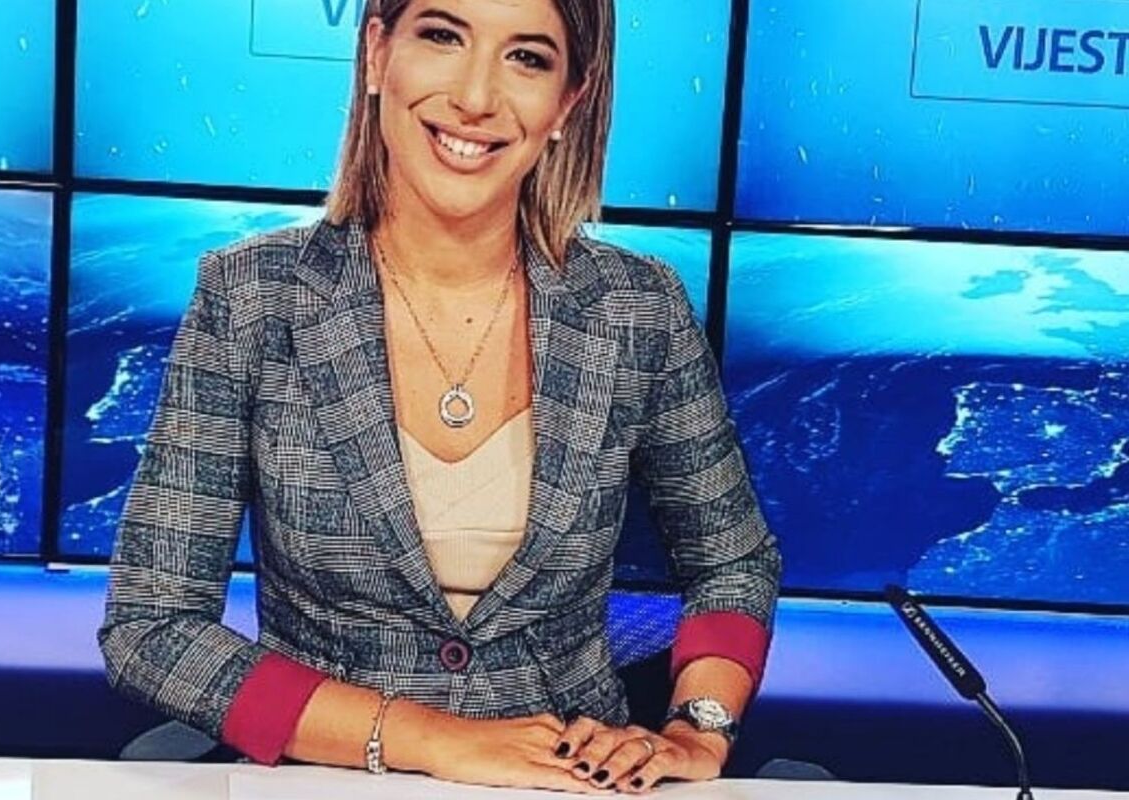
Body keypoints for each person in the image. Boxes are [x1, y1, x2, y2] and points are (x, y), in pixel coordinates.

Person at [99, 0, 781, 793]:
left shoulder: (639, 308)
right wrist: (430, 739)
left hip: (571, 783)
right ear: (377, 52)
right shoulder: (252, 296)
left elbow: (734, 563)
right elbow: (153, 628)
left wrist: (699, 728)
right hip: (331, 781)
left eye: (527, 58)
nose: (476, 97)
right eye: (442, 35)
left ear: (568, 101)